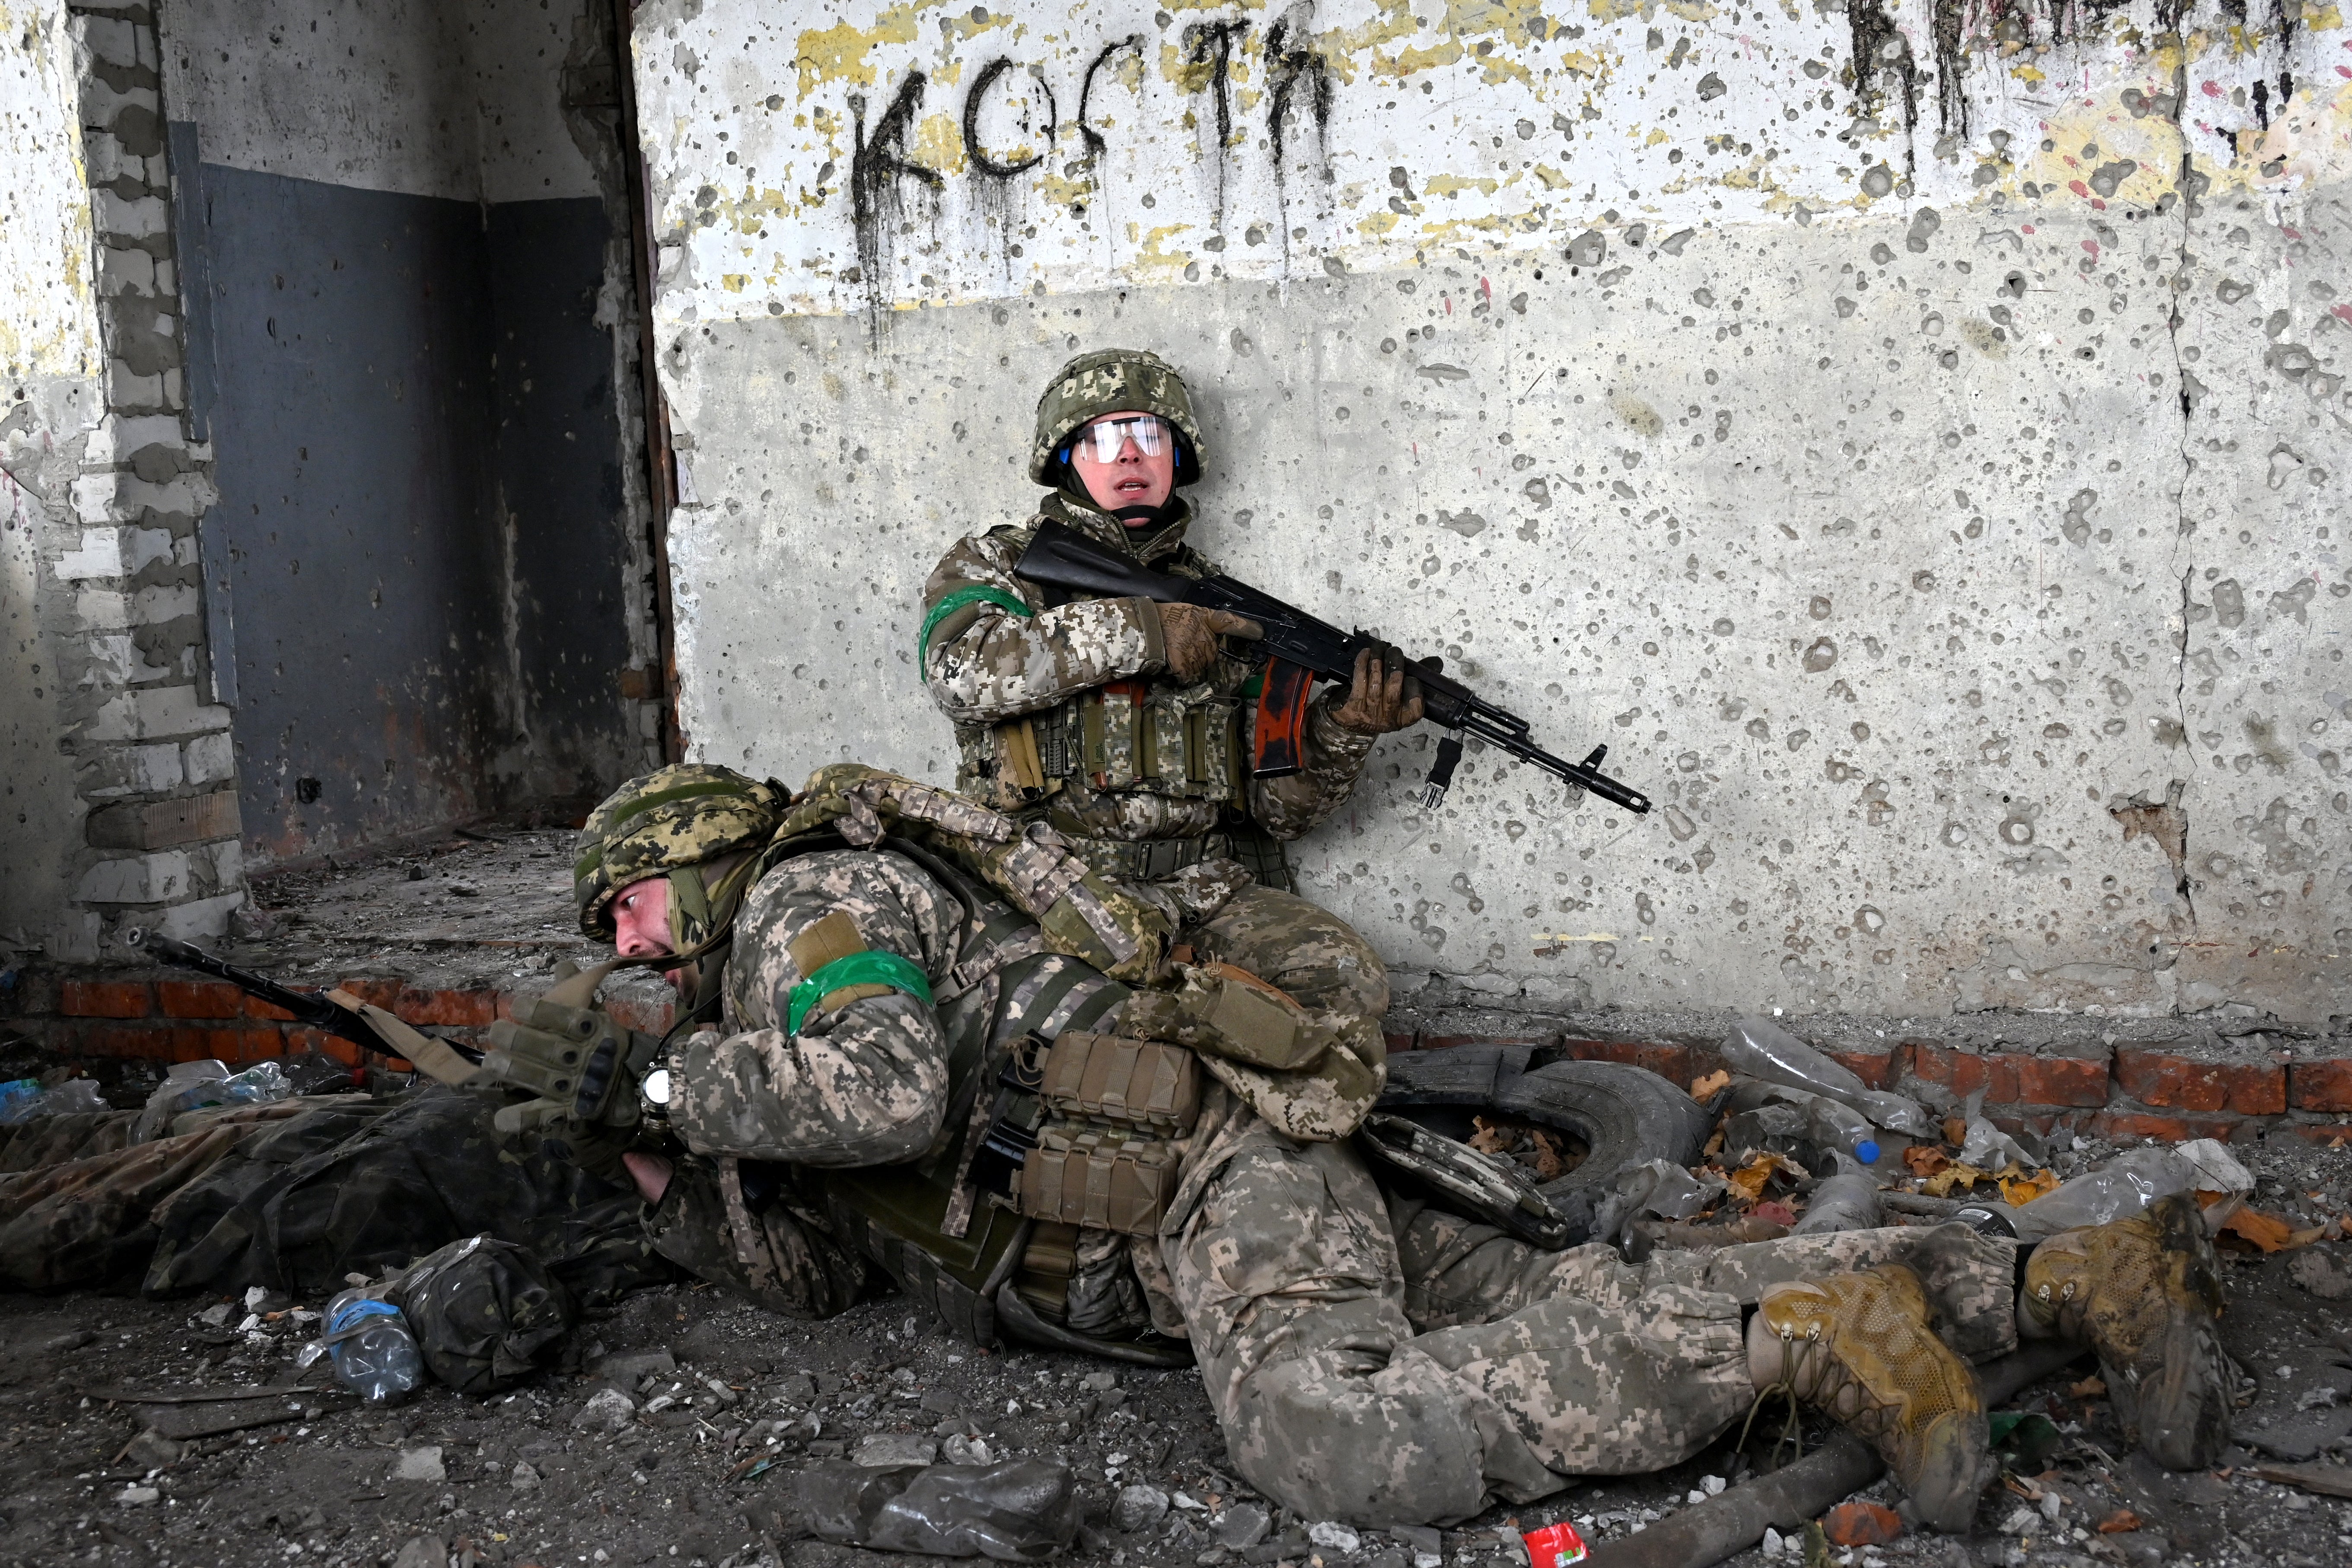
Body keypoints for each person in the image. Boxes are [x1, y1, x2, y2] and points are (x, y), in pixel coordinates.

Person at [489, 762, 2237, 1533]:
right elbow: (826, 1256)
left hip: (1218, 1178)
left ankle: (1814, 1338)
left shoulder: (809, 898)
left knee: (1344, 1437)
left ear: (698, 855)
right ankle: (2057, 1274)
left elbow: (881, 1094)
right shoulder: (752, 1019)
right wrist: (659, 1178)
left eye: (628, 907)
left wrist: (653, 1086)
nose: (628, 947)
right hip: (1238, 1186)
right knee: (1584, 1289)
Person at [918, 347, 1419, 887]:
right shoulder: (1001, 563)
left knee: (1341, 970)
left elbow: (1279, 814)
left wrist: (1342, 729)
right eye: (1105, 439)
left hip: (1202, 887)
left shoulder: (1220, 601)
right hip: (1043, 882)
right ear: (1065, 457)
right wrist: (1145, 632)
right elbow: (958, 674)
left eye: (1152, 437)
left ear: (1177, 458)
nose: (1131, 455)